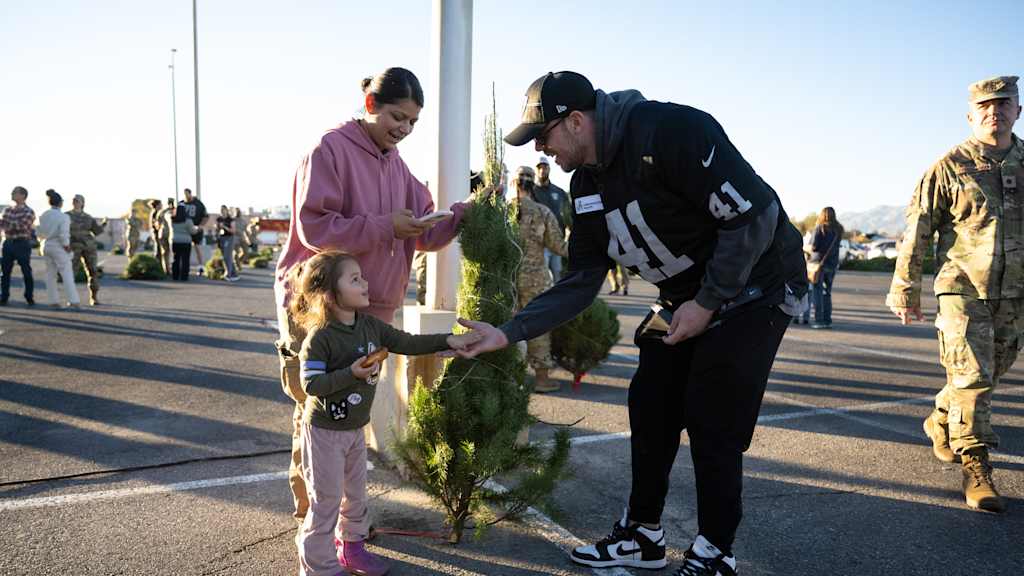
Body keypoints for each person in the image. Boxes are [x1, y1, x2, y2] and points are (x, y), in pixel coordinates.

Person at [454, 71, 807, 575]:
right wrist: (508, 332)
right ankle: (643, 535)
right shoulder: (586, 185)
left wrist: (707, 302)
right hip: (687, 296)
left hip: (757, 286)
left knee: (713, 414)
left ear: (575, 122)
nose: (541, 152)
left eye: (544, 137)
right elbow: (580, 281)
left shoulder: (671, 130)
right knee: (651, 402)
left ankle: (715, 551)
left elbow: (754, 216)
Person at [273, 67, 469, 525]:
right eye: (397, 118)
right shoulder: (331, 149)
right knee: (318, 411)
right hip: (318, 309)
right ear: (370, 106)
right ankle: (315, 519)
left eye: (412, 123)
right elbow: (315, 228)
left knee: (350, 413)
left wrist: (463, 214)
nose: (403, 129)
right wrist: (386, 226)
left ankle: (345, 518)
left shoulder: (397, 165)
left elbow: (424, 231)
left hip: (371, 311)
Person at [289, 250, 479, 576]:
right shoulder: (320, 339)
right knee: (326, 502)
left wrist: (450, 339)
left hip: (353, 430)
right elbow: (312, 385)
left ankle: (351, 549)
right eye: (354, 279)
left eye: (361, 276)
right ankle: (318, 567)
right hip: (323, 434)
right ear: (329, 296)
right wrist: (352, 374)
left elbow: (407, 341)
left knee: (356, 495)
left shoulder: (370, 326)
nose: (365, 283)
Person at [887, 75, 1023, 514]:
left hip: (1015, 292)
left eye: (1003, 104)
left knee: (990, 372)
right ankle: (977, 467)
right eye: (985, 106)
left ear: (1017, 111)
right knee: (973, 378)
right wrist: (906, 288)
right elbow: (917, 230)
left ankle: (940, 420)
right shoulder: (948, 166)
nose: (994, 111)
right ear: (970, 116)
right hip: (961, 287)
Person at [512, 165, 567, 393]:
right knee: (538, 327)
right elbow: (558, 246)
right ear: (532, 184)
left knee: (508, 326)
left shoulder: (501, 211)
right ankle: (542, 379)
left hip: (508, 279)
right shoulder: (542, 211)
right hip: (536, 279)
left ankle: (511, 379)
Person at [36, 190, 80, 308]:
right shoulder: (63, 217)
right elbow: (64, 235)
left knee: (50, 274)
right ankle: (73, 300)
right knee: (66, 273)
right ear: (60, 203)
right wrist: (67, 247)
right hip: (58, 246)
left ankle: (53, 301)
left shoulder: (43, 215)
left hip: (46, 245)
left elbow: (38, 232)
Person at [533, 156, 571, 280]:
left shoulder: (559, 192)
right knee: (542, 277)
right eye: (539, 168)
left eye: (545, 167)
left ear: (549, 169)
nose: (542, 171)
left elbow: (568, 215)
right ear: (536, 170)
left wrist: (570, 234)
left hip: (557, 241)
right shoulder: (530, 192)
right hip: (540, 243)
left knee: (557, 275)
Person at [806, 207, 844, 329]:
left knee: (817, 292)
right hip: (832, 265)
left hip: (818, 265)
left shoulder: (820, 228)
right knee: (827, 293)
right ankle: (827, 320)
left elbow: (813, 247)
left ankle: (819, 320)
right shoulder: (838, 230)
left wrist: (804, 248)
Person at [67, 194, 107, 306]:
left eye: (77, 200)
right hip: (73, 246)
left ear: (82, 203)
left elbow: (97, 231)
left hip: (88, 247)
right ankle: (72, 298)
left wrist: (103, 224)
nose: (75, 202)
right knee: (71, 273)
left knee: (92, 271)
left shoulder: (88, 217)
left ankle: (94, 297)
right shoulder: (66, 216)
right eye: (74, 200)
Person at [1, 186, 36, 306]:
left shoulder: (29, 211)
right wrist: (10, 224)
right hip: (8, 243)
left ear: (23, 195)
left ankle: (29, 296)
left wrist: (8, 224)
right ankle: (4, 296)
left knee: (26, 271)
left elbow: (22, 226)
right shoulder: (7, 210)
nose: (12, 194)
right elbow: (3, 224)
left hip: (22, 243)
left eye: (15, 192)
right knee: (5, 272)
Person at [179, 188, 208, 273]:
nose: (186, 196)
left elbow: (205, 216)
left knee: (197, 247)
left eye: (187, 194)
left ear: (190, 194)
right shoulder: (181, 204)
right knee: (184, 248)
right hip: (184, 230)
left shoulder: (198, 204)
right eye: (185, 194)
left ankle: (200, 266)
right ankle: (184, 267)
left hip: (196, 229)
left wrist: (200, 226)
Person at [169, 205, 197, 281]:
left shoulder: (172, 220)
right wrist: (197, 229)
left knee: (176, 259)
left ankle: (175, 275)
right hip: (186, 242)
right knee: (185, 260)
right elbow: (193, 231)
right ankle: (184, 276)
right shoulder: (188, 220)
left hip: (175, 241)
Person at [215, 204, 240, 282]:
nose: (222, 211)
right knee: (226, 256)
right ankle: (234, 274)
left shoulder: (230, 219)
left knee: (227, 256)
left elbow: (233, 230)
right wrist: (217, 227)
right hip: (221, 238)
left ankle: (228, 274)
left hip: (229, 238)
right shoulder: (219, 219)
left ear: (227, 210)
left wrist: (224, 227)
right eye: (221, 210)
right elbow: (217, 229)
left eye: (223, 209)